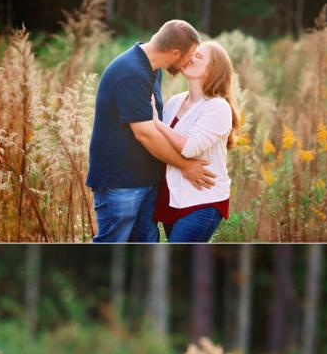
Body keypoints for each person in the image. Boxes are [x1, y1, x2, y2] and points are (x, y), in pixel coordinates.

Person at [86, 20, 216, 242]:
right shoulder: (131, 73)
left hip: (145, 182)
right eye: (190, 56)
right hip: (120, 185)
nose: (190, 61)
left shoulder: (151, 69)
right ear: (175, 53)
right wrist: (185, 165)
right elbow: (145, 133)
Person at [151, 41, 237, 242]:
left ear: (212, 69)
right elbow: (160, 142)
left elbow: (189, 147)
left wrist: (155, 122)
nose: (191, 57)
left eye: (199, 56)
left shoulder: (218, 106)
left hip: (202, 200)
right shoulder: (175, 101)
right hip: (172, 197)